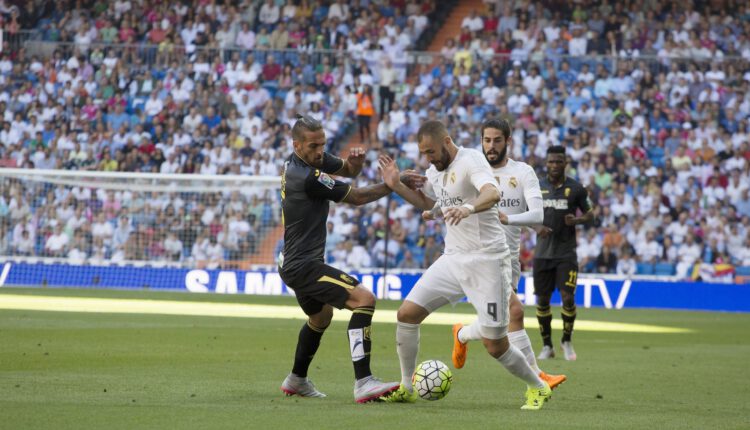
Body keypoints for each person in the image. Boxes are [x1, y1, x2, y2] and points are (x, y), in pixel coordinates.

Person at [378, 120, 552, 410]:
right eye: (424, 153)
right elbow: (427, 204)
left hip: (488, 261)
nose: (428, 159)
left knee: (495, 345)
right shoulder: (435, 171)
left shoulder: (471, 160)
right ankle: (407, 387)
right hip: (454, 258)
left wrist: (468, 208)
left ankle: (538, 386)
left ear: (447, 141)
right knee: (406, 314)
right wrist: (395, 185)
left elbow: (492, 193)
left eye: (431, 151)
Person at [278, 115, 423, 403]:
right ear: (297, 145)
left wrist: (354, 165)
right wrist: (394, 184)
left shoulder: (307, 160)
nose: (320, 151)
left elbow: (348, 171)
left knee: (321, 316)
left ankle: (296, 379)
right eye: (313, 146)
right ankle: (364, 381)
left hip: (292, 262)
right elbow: (355, 197)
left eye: (323, 144)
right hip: (303, 265)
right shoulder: (307, 176)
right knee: (364, 299)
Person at [448, 119, 566, 390]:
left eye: (497, 140)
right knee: (514, 311)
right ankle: (537, 377)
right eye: (486, 140)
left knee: (497, 327)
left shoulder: (523, 172)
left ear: (508, 141)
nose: (491, 146)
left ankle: (463, 333)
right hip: (479, 254)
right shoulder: (470, 172)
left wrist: (507, 219)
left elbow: (538, 215)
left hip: (509, 258)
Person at [534, 146, 594, 361]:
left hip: (566, 253)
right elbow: (526, 214)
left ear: (565, 163)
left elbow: (591, 214)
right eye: (551, 161)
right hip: (541, 254)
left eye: (559, 161)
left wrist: (576, 220)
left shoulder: (576, 189)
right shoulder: (537, 187)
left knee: (567, 297)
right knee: (542, 300)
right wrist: (535, 227)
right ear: (546, 163)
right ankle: (547, 346)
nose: (554, 165)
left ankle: (566, 340)